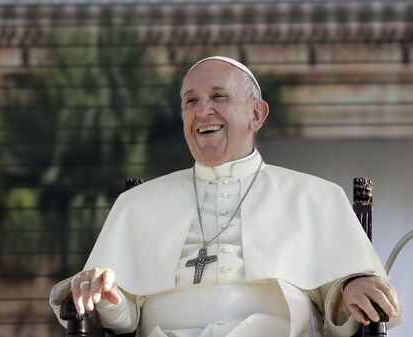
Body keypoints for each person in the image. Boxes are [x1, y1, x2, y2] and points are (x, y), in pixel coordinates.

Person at [49, 56, 401, 337]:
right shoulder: (137, 203)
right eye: (191, 101)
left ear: (256, 115)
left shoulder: (316, 196)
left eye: (218, 96)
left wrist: (354, 283)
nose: (203, 111)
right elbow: (121, 321)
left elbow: (340, 308)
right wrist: (107, 297)